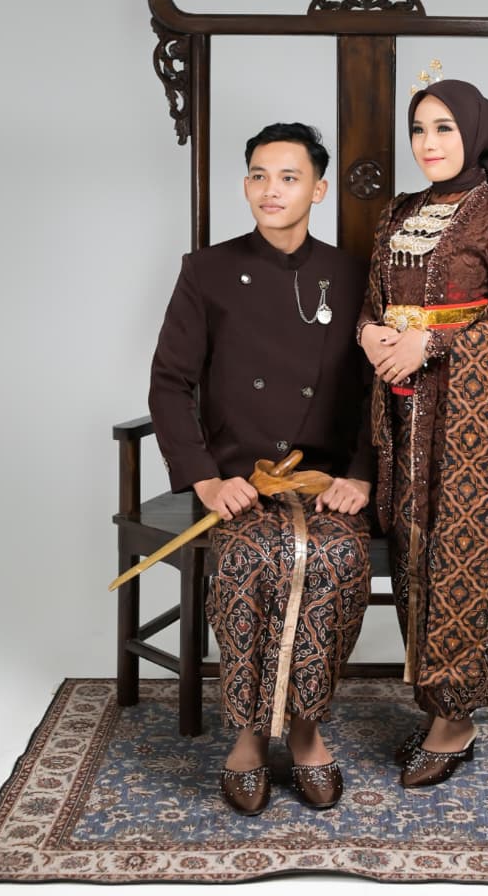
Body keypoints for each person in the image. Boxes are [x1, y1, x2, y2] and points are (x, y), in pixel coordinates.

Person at [149, 123, 373, 816]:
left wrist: (361, 475)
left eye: (288, 177)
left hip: (322, 482)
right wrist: (206, 479)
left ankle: (305, 730)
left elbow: (378, 391)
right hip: (239, 482)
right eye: (257, 175)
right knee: (249, 560)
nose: (270, 190)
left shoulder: (353, 275)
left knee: (334, 558)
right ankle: (248, 734)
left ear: (318, 190)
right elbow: (169, 383)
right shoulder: (206, 270)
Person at [358, 79, 488, 788]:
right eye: (418, 129)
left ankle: (455, 718)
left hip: (467, 414)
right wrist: (370, 333)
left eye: (443, 128)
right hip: (400, 409)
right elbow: (372, 305)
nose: (428, 143)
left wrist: (430, 345)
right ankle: (431, 702)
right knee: (410, 546)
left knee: (455, 554)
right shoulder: (398, 212)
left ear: (476, 133)